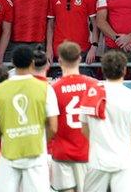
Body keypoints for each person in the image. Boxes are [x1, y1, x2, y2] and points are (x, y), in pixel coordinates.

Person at [0, 44, 59, 192]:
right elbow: (53, 127)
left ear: (12, 63)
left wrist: (10, 138)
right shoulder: (46, 88)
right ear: (32, 62)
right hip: (36, 153)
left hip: (9, 154)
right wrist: (40, 140)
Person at [82, 50, 131, 192]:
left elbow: (84, 128)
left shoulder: (91, 93)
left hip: (97, 160)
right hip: (123, 160)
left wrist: (98, 143)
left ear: (103, 70)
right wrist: (128, 149)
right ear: (124, 70)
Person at [50, 41, 99, 192]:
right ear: (79, 59)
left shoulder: (53, 89)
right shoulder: (94, 85)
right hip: (87, 151)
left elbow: (50, 124)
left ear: (59, 61)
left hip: (61, 152)